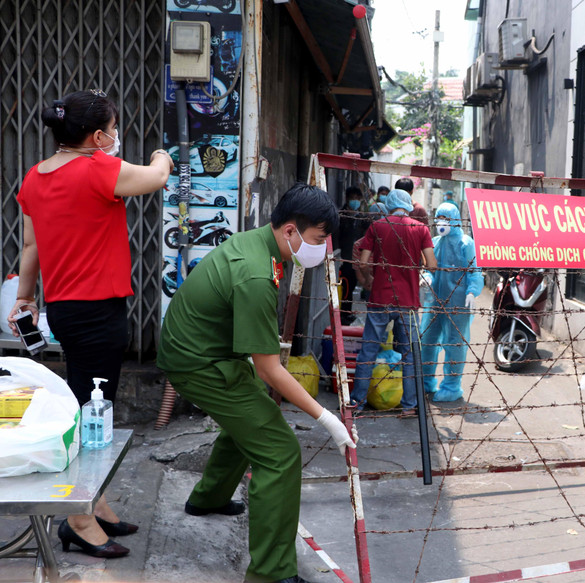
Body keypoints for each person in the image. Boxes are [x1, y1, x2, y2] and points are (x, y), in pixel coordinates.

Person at [157, 183, 357, 583]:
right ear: (289, 231)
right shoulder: (256, 272)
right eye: (318, 240)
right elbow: (268, 369)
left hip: (204, 350)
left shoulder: (260, 244)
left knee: (251, 422)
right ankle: (271, 573)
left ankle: (208, 499)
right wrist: (326, 418)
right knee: (280, 452)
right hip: (199, 362)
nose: (322, 249)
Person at [7, 89, 174, 558]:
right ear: (98, 136)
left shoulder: (35, 177)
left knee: (89, 404)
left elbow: (30, 247)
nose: (115, 137)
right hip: (98, 310)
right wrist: (163, 155)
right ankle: (77, 520)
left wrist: (25, 297)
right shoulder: (99, 167)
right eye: (113, 129)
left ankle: (93, 501)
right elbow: (157, 177)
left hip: (63, 307)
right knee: (90, 411)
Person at [351, 189, 437, 415]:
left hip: (380, 298)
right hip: (408, 301)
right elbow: (432, 265)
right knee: (410, 354)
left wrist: (370, 278)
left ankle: (356, 403)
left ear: (389, 204)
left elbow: (362, 262)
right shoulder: (421, 229)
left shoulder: (377, 226)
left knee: (368, 352)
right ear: (408, 204)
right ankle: (409, 406)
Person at [420, 202, 483, 402]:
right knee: (428, 340)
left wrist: (472, 291)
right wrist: (427, 278)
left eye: (446, 219)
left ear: (455, 220)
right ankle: (425, 380)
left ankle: (451, 386)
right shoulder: (435, 242)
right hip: (434, 301)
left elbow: (474, 271)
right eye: (439, 218)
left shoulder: (466, 243)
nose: (441, 222)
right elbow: (429, 267)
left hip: (458, 302)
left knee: (454, 343)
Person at [338, 186, 368, 324]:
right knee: (345, 287)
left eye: (358, 199)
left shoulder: (361, 218)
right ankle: (343, 313)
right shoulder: (341, 216)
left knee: (351, 286)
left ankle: (347, 312)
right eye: (353, 198)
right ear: (347, 198)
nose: (355, 201)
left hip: (356, 258)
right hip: (343, 257)